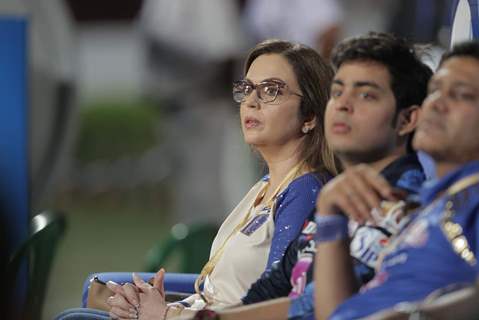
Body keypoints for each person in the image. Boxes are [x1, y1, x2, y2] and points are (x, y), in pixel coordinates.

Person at [55, 39, 337, 320]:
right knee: (98, 289)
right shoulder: (267, 184)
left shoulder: (305, 191)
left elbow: (280, 301)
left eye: (271, 90)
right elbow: (220, 287)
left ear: (310, 115)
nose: (251, 102)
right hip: (200, 307)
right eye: (247, 89)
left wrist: (168, 314)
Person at [187, 32, 431, 320]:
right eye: (338, 92)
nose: (342, 105)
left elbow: (322, 308)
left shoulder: (403, 202)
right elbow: (271, 290)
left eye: (365, 95)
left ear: (407, 119)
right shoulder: (335, 197)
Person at [313, 40, 479, 320]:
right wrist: (330, 216)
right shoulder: (424, 209)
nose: (437, 103)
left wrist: (412, 316)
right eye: (435, 90)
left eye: (461, 95)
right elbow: (333, 316)